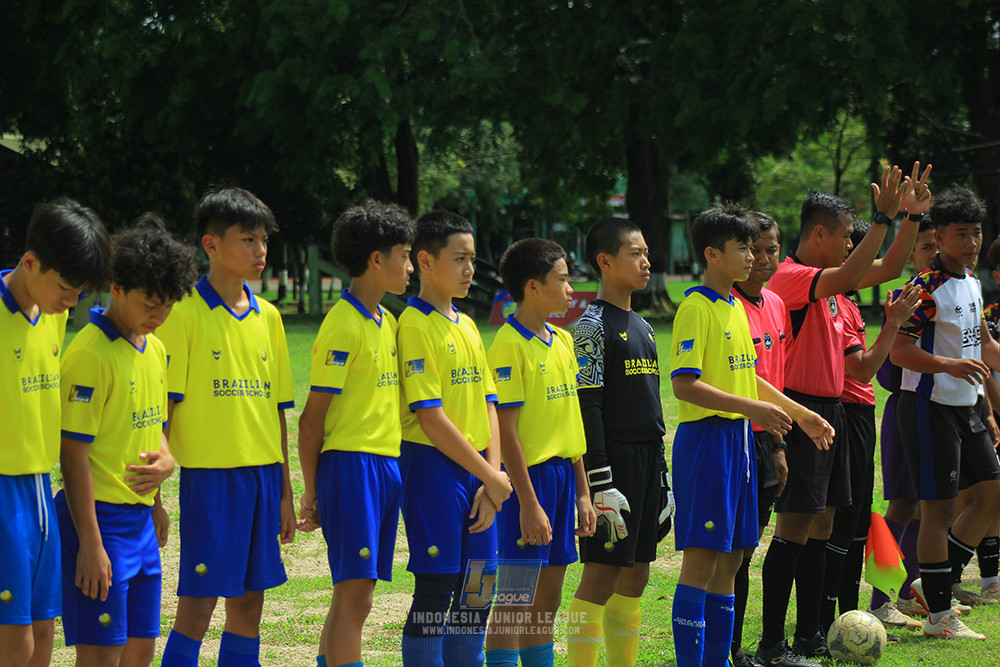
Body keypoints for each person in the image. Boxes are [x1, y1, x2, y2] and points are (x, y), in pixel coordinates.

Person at [756, 166, 911, 667]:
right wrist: (885, 215)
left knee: (820, 529)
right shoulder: (793, 278)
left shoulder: (829, 290)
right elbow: (852, 273)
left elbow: (884, 270)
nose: (851, 245)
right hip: (800, 410)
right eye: (846, 236)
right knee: (794, 531)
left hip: (831, 414)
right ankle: (772, 644)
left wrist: (909, 215)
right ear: (818, 233)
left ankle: (809, 638)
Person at [670, 203, 835, 667]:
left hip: (739, 442)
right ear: (711, 254)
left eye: (753, 247)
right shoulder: (695, 307)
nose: (752, 256)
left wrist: (798, 413)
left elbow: (751, 378)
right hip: (708, 444)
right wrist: (752, 409)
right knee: (702, 561)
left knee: (733, 560)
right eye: (741, 248)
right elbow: (685, 383)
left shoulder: (735, 310)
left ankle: (718, 659)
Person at [157, 187, 297, 667]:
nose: (260, 251)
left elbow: (276, 411)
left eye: (263, 240)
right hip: (211, 481)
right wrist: (154, 497)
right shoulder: (183, 313)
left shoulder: (271, 317)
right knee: (197, 606)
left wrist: (283, 490)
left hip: (262, 478)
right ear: (211, 245)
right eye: (247, 240)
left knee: (250, 605)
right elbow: (164, 412)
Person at [57, 222, 197, 666]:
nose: (159, 315)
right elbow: (72, 453)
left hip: (140, 525)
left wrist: (164, 472)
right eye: (150, 304)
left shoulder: (153, 348)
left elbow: (152, 428)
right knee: (102, 657)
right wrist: (91, 544)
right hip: (100, 523)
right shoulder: (89, 355)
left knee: (140, 652)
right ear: (116, 289)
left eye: (169, 305)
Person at [296, 200, 415, 667]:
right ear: (376, 260)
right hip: (352, 466)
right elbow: (311, 421)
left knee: (352, 595)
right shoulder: (343, 326)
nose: (410, 266)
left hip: (385, 466)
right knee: (356, 598)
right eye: (404, 255)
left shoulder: (386, 322)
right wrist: (312, 489)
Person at [396, 210, 512, 666]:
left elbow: (489, 402)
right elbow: (429, 416)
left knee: (479, 587)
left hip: (481, 472)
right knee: (437, 588)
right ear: (425, 260)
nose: (470, 269)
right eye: (460, 259)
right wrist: (488, 473)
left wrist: (493, 476)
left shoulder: (467, 325)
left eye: (473, 259)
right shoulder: (413, 324)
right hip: (433, 468)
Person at [0, 199, 110, 667]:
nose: (71, 302)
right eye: (66, 288)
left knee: (44, 631)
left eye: (80, 293)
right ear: (30, 263)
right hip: (3, 491)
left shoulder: (54, 312)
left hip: (41, 489)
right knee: (14, 639)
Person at [483, 238, 597, 667]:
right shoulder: (507, 346)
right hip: (524, 484)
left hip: (563, 480)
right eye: (563, 280)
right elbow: (507, 434)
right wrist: (528, 504)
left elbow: (572, 426)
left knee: (548, 596)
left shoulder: (563, 341)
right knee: (514, 599)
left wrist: (583, 493)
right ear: (533, 287)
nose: (571, 290)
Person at [892, 186, 1000, 640]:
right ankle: (939, 615)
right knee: (935, 513)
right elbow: (899, 352)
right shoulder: (924, 288)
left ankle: (932, 583)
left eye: (976, 233)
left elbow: (985, 346)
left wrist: (987, 404)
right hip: (927, 409)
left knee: (992, 494)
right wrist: (948, 364)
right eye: (962, 234)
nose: (971, 242)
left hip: (968, 407)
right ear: (939, 236)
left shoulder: (973, 281)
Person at [564, 217, 666, 667]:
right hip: (613, 465)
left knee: (638, 573)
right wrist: (600, 484)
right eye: (635, 253)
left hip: (647, 463)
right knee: (601, 576)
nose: (646, 262)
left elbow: (652, 409)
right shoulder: (588, 327)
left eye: (646, 253)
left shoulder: (643, 325)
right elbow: (588, 411)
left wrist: (661, 476)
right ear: (605, 261)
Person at [823, 219, 922, 633]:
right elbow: (865, 373)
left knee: (861, 522)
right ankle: (837, 616)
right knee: (844, 523)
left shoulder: (848, 300)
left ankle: (862, 611)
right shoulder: (832, 301)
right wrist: (895, 324)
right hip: (846, 413)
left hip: (862, 416)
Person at [729, 212, 790, 667]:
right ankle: (727, 650)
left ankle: (737, 649)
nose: (763, 259)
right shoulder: (723, 306)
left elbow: (776, 381)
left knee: (749, 545)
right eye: (754, 249)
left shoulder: (777, 305)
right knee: (732, 553)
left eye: (771, 249)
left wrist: (780, 445)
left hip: (768, 441)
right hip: (734, 438)